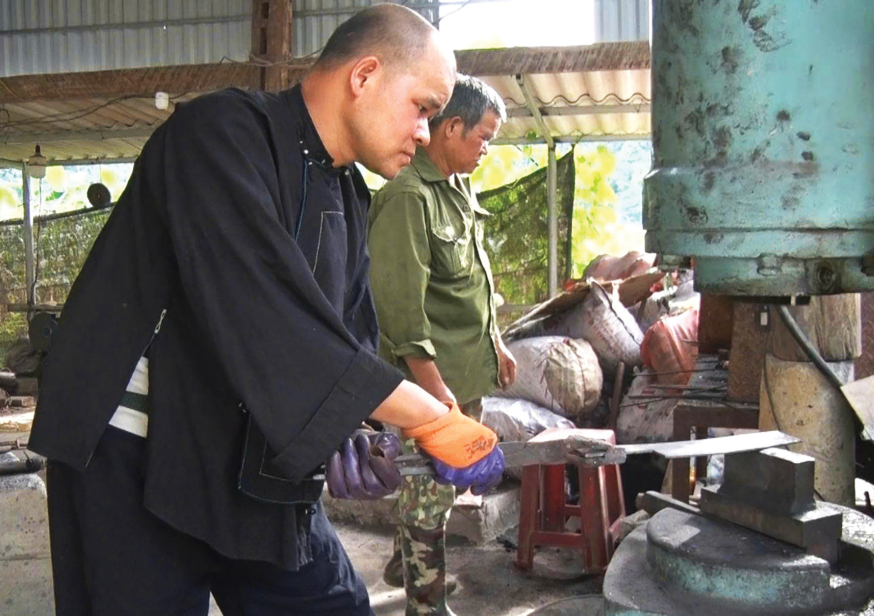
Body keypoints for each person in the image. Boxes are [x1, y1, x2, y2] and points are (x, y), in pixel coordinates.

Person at [27, 5, 503, 616]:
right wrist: (430, 417)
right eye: (423, 109)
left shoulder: (351, 198)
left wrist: (355, 434)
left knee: (333, 605)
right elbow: (269, 322)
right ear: (364, 75)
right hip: (134, 455)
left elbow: (347, 342)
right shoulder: (217, 134)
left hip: (247, 459)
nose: (423, 132)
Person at [367, 74, 516, 616]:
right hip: (429, 387)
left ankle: (404, 565)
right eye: (483, 138)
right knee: (429, 496)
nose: (485, 150)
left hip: (462, 373)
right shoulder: (407, 198)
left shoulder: (457, 188)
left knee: (440, 486)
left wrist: (497, 346)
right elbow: (401, 310)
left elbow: (475, 278)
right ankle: (424, 606)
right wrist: (437, 400)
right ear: (451, 127)